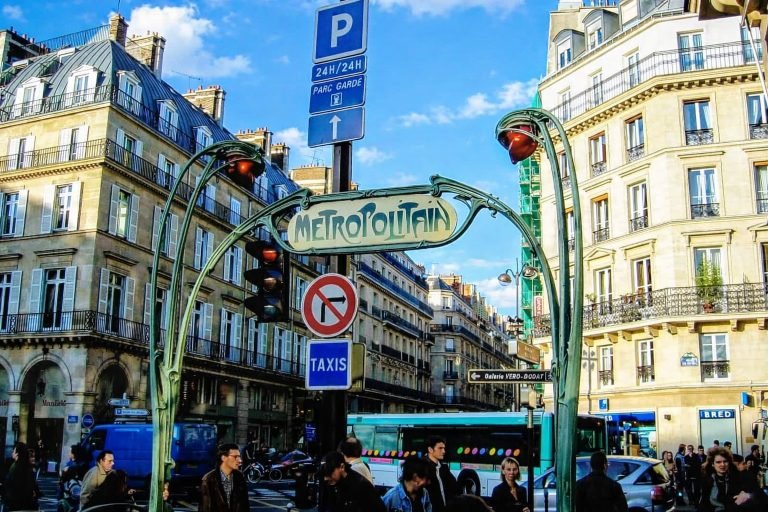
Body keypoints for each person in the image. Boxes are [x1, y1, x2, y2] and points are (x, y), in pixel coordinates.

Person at [698, 446, 766, 512]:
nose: (722, 464)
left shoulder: (738, 477)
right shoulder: (707, 481)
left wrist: (748, 495)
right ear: (713, 464)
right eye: (718, 462)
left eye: (725, 461)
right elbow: (703, 504)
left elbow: (761, 494)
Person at [318, 450, 385, 512]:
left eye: (330, 473)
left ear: (342, 467)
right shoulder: (331, 484)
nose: (327, 478)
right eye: (324, 475)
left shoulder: (361, 485)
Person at [198, 443, 249, 512]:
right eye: (235, 457)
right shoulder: (208, 479)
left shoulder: (239, 477)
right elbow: (205, 507)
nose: (240, 460)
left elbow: (245, 505)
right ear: (223, 458)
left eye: (239, 457)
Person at [423, 436, 459, 512]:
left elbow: (455, 488)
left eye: (444, 448)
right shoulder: (422, 467)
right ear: (430, 449)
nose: (443, 451)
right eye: (440, 448)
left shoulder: (444, 468)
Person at [3, 442, 40, 511]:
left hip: (15, 504)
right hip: (26, 504)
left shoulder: (15, 467)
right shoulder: (28, 467)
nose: (12, 453)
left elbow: (10, 485)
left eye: (13, 451)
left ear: (17, 453)